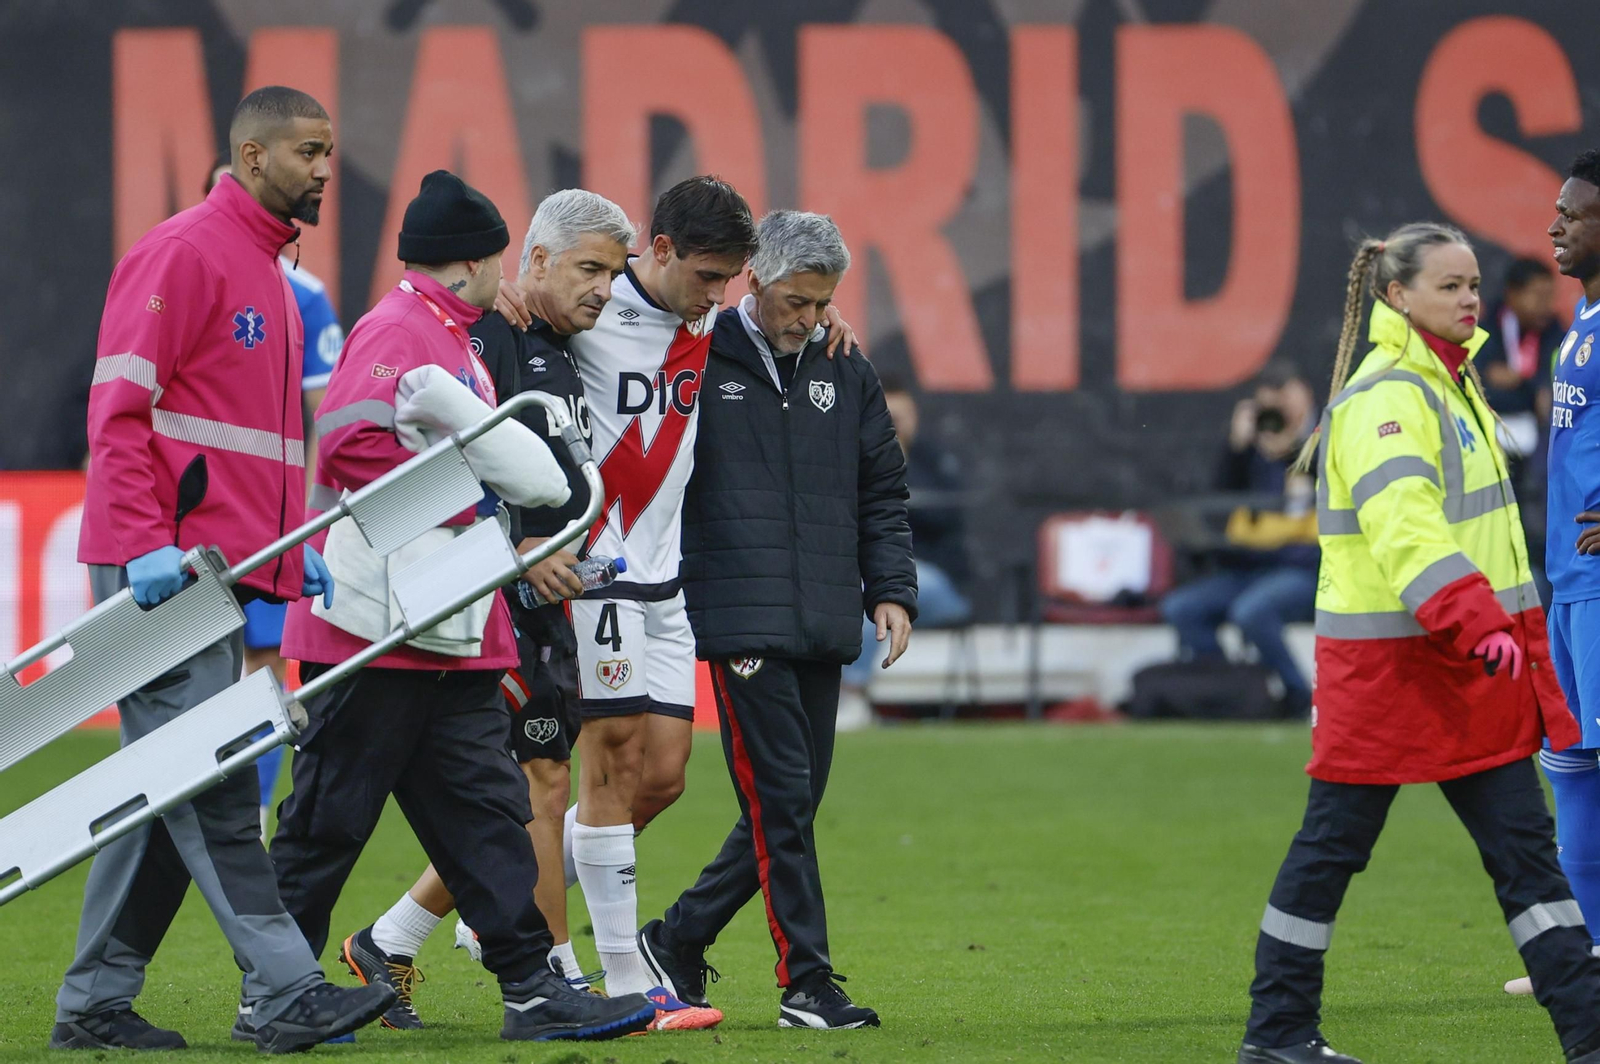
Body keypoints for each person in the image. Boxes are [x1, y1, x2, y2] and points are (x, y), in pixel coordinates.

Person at [269, 170, 654, 1042]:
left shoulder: (451, 333)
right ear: (474, 263)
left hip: (448, 631)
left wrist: (482, 539)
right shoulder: (401, 328)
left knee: (489, 815)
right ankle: (278, 992)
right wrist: (483, 525)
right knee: (327, 820)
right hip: (376, 630)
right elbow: (349, 442)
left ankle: (530, 986)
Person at [57, 86, 396, 1054]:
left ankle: (93, 1002)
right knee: (213, 782)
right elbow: (121, 413)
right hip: (160, 570)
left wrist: (298, 551)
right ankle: (289, 989)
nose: (327, 168)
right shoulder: (182, 254)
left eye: (330, 150)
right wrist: (142, 543)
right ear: (253, 157)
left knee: (168, 793)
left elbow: (249, 445)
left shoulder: (269, 272)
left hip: (227, 568)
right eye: (310, 151)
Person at [333, 189, 718, 1032]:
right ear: (532, 264)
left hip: (552, 590)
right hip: (502, 596)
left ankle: (396, 938)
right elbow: (445, 462)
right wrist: (515, 552)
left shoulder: (558, 337)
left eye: (611, 275)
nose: (604, 291)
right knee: (536, 786)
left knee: (531, 794)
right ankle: (558, 979)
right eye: (588, 270)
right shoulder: (491, 338)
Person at [1237, 221, 1600, 1064]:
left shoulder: (1446, 382)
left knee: (1525, 859)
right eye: (1450, 286)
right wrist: (1480, 622)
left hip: (1463, 664)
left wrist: (1494, 632)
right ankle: (1278, 1034)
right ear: (1397, 297)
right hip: (1398, 670)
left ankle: (1587, 1036)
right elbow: (1407, 531)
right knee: (1332, 856)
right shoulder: (1389, 395)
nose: (1471, 297)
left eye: (1473, 284)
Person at [494, 176, 858, 1001]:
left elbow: (768, 317)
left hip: (671, 577)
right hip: (596, 567)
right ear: (658, 252)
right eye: (707, 277)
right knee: (600, 773)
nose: (718, 296)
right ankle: (596, 976)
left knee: (661, 779)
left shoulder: (710, 322)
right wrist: (512, 297)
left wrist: (818, 313)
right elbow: (520, 333)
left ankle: (424, 922)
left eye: (731, 281)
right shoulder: (589, 307)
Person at [635, 210, 915, 1030]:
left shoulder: (845, 367)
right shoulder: (691, 350)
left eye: (823, 303)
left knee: (788, 802)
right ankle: (807, 985)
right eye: (797, 300)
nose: (810, 318)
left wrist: (889, 589)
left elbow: (883, 492)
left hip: (824, 614)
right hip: (737, 611)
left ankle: (677, 938)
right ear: (754, 279)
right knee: (785, 800)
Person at [205, 155, 345, 835]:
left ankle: (252, 813)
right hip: (198, 507)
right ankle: (188, 809)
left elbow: (327, 411)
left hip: (265, 511)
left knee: (261, 662)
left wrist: (308, 515)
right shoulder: (184, 269)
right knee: (189, 669)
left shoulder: (302, 292)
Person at [1506, 150, 1600, 999]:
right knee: (1569, 759)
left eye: (1572, 214)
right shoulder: (1578, 323)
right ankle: (1587, 955)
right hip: (1568, 579)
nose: (1554, 227)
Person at [1160, 362, 1320, 715]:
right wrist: (1236, 447)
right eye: (1268, 408)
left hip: (1303, 568)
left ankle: (1300, 697)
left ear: (1302, 398)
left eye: (1282, 405)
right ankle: (1233, 690)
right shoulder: (1250, 449)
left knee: (1252, 612)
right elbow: (1220, 501)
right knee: (1182, 609)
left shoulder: (1325, 438)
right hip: (1248, 567)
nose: (1275, 416)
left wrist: (1294, 449)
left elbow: (1329, 482)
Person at [838, 378, 969, 722]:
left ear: (915, 416)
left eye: (901, 416)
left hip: (935, 581)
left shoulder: (934, 461)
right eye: (887, 416)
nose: (895, 424)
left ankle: (850, 693)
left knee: (879, 593)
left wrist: (896, 471)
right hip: (876, 571)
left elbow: (946, 517)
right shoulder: (855, 460)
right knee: (858, 589)